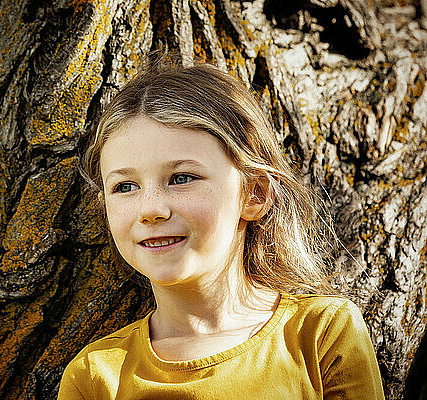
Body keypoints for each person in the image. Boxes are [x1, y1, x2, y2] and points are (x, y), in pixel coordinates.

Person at [57, 57, 385, 399]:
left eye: (182, 178)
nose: (151, 209)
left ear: (253, 194)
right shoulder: (94, 376)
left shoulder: (320, 334)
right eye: (125, 186)